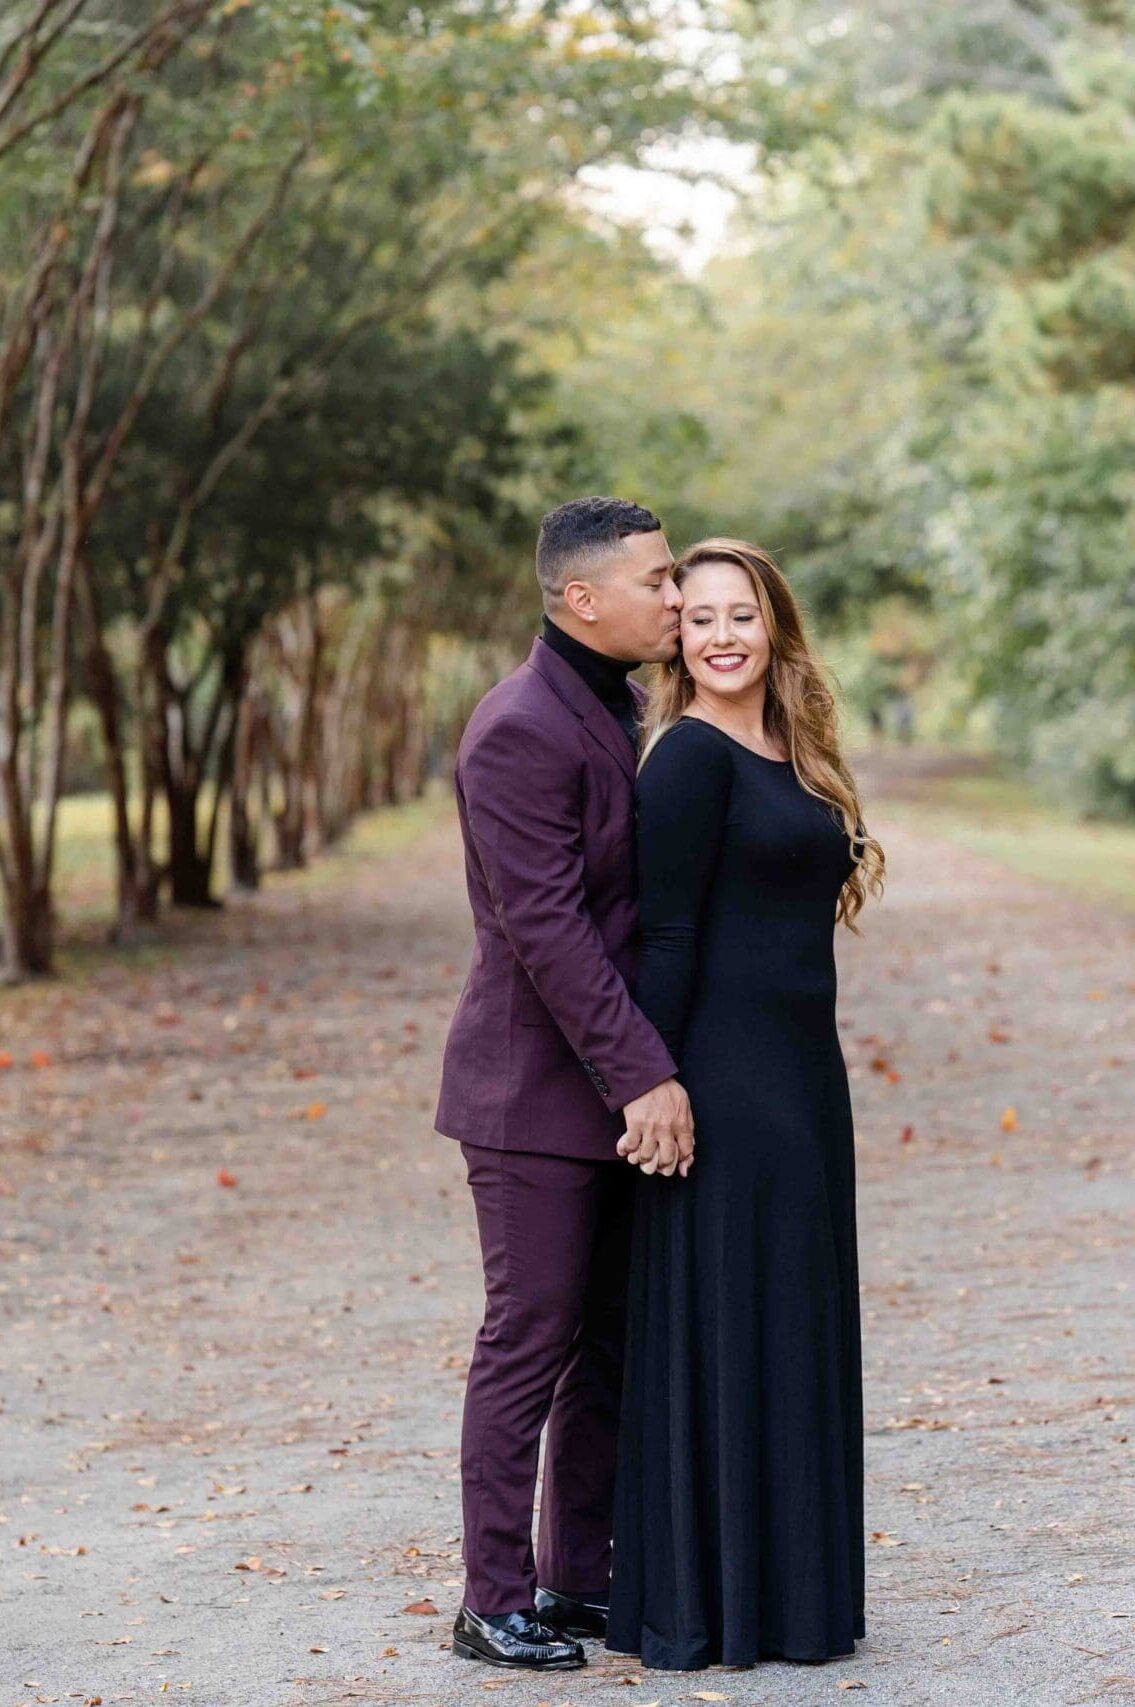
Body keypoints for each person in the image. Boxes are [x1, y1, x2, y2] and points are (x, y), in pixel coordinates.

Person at [605, 537, 886, 1670]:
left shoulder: (794, 752)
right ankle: (711, 1602)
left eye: (742, 615)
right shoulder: (685, 760)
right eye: (701, 616)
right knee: (731, 1320)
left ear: (775, 629)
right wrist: (648, 1081)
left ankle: (794, 1597)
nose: (721, 635)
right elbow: (664, 933)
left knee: (792, 1320)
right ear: (679, 638)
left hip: (803, 1080)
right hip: (720, 1081)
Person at [434, 496, 695, 1672]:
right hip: (531, 1093)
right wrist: (644, 1076)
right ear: (581, 599)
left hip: (602, 1082)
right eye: (658, 579)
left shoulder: (617, 702)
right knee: (529, 1334)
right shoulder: (515, 728)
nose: (676, 597)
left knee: (607, 1340)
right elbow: (544, 930)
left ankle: (572, 1575)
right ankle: (491, 1600)